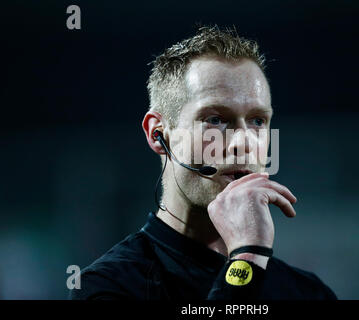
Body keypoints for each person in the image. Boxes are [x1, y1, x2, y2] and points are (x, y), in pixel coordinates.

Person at [69, 26, 337, 300]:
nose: (243, 142)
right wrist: (248, 258)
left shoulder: (308, 294)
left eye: (258, 121)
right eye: (216, 119)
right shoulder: (108, 289)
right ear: (158, 134)